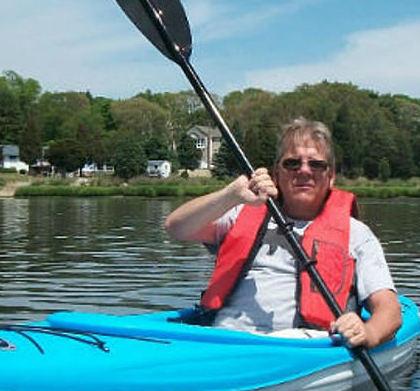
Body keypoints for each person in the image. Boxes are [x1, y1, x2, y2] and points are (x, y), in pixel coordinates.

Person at [164, 118, 401, 348]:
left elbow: (389, 311)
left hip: (300, 348)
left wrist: (367, 333)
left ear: (331, 176)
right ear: (276, 173)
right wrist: (231, 195)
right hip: (224, 340)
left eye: (316, 164)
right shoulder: (240, 214)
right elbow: (176, 226)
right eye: (292, 163)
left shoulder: (358, 235)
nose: (304, 171)